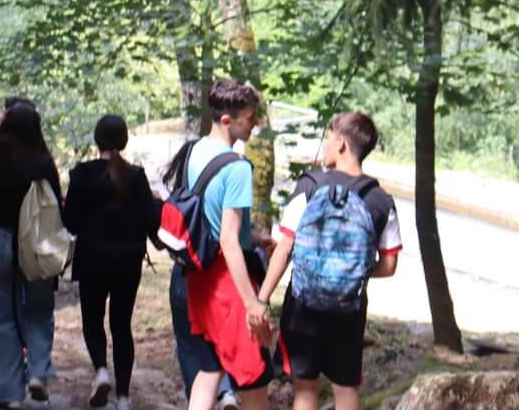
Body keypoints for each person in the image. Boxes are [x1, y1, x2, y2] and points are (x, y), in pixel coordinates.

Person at [257, 112, 400, 410]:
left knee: (305, 390)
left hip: (303, 307)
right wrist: (351, 271)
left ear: (342, 144)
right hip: (349, 310)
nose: (325, 145)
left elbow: (285, 249)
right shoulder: (381, 201)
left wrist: (262, 299)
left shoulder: (310, 185)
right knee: (346, 390)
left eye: (329, 138)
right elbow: (389, 266)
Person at [164, 80, 276, 410]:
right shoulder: (237, 167)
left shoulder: (195, 150)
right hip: (227, 286)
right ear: (227, 120)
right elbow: (228, 239)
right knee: (254, 378)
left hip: (196, 279)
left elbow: (207, 220)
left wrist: (253, 238)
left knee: (208, 370)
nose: (254, 124)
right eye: (250, 117)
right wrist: (252, 303)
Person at [0, 99, 63, 408]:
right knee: (39, 310)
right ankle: (37, 370)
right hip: (38, 244)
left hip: (1, 240)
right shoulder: (44, 165)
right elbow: (57, 207)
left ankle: (6, 392)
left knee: (1, 315)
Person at [64, 115, 158, 410]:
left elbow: (70, 222)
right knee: (122, 326)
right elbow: (150, 221)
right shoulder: (137, 176)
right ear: (124, 140)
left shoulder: (82, 174)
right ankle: (123, 398)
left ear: (97, 140)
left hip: (92, 259)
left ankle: (101, 371)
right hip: (128, 262)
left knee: (92, 321)